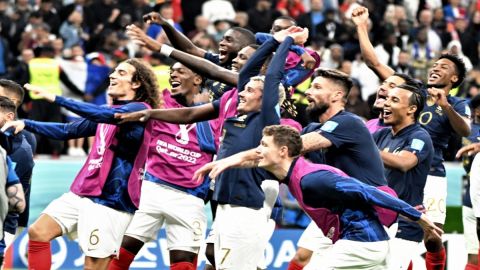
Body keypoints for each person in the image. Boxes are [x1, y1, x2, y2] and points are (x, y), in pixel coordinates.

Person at [117, 27, 309, 269]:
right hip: (226, 204)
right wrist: (271, 42)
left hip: (246, 209)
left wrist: (284, 42)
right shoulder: (236, 114)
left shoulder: (266, 120)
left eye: (249, 91)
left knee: (230, 264)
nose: (241, 93)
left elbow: (270, 78)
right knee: (216, 258)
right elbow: (246, 76)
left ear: (264, 100)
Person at [194, 124, 443, 270]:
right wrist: (223, 163)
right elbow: (251, 160)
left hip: (362, 243)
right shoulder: (287, 171)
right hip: (360, 244)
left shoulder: (312, 177)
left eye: (263, 144)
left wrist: (416, 216)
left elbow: (369, 192)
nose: (259, 149)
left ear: (282, 152)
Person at [2, 58, 160, 270]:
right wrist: (26, 123)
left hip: (110, 199)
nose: (112, 75)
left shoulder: (140, 110)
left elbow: (105, 115)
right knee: (38, 232)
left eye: (121, 73)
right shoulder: (107, 111)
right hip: (84, 191)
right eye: (113, 71)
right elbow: (68, 131)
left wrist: (56, 99)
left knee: (93, 265)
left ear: (136, 83)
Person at [353, 6, 471, 269]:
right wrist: (362, 26)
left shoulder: (457, 103)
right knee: (395, 229)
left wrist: (446, 106)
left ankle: (434, 264)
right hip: (399, 165)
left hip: (431, 174)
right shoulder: (411, 92)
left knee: (431, 236)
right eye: (435, 64)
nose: (436, 68)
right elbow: (375, 63)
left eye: (444, 67)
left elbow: (464, 130)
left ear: (454, 78)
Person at [108, 61, 224, 270]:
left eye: (181, 71)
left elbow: (215, 146)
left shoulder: (217, 112)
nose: (173, 75)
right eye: (172, 71)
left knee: (184, 266)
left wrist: (201, 107)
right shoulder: (159, 101)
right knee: (117, 256)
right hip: (151, 189)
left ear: (198, 79)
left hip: (189, 198)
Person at [287, 68, 396, 270]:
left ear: (337, 96)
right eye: (310, 86)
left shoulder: (349, 122)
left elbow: (293, 148)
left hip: (371, 215)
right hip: (339, 213)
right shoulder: (312, 128)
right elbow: (287, 160)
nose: (308, 92)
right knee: (303, 256)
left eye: (317, 87)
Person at [373, 83, 434, 268]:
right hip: (377, 218)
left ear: (412, 109)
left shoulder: (419, 136)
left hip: (404, 222)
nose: (386, 104)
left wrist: (366, 150)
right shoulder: (381, 134)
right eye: (387, 99)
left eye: (394, 100)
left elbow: (404, 163)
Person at [142, 11, 256, 100]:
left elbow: (214, 72)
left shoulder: (250, 75)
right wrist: (165, 24)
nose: (221, 43)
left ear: (244, 47)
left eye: (229, 40)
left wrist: (162, 48)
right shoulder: (219, 60)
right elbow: (190, 49)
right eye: (222, 39)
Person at [0, 80, 35, 262]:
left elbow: (14, 199)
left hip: (7, 221)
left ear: (11, 102)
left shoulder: (22, 145)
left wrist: (4, 237)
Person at [457, 94, 480, 269]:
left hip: (472, 193)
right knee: (473, 256)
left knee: (474, 256)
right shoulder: (467, 129)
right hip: (472, 194)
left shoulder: (468, 129)